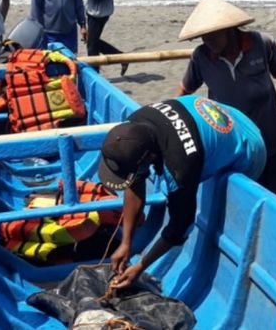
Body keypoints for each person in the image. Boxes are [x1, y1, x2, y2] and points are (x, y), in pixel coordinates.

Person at [98, 95, 266, 288]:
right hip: (225, 116)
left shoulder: (180, 168)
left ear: (150, 157)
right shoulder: (133, 127)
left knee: (235, 212)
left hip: (248, 146)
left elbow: (180, 228)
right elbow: (135, 181)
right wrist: (126, 242)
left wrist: (141, 266)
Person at [176, 0, 276, 207]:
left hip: (271, 141)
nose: (208, 42)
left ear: (229, 30)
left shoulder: (260, 43)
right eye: (203, 37)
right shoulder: (201, 57)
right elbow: (185, 89)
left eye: (213, 36)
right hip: (234, 147)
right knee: (246, 204)